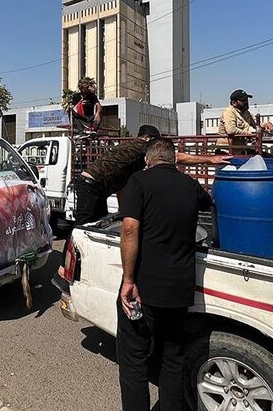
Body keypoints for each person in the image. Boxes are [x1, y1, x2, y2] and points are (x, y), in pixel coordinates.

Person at [117, 137, 212, 411]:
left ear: (147, 159)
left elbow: (130, 229)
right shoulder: (191, 185)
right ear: (173, 159)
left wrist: (128, 280)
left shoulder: (139, 182)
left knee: (134, 359)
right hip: (179, 290)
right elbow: (209, 203)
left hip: (142, 288)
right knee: (173, 357)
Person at [73, 124, 227, 225]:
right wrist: (210, 159)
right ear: (147, 139)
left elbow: (122, 187)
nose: (157, 147)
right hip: (90, 186)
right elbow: (175, 157)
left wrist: (125, 214)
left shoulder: (132, 155)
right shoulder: (141, 146)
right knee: (81, 227)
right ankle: (65, 266)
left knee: (96, 225)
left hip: (95, 186)